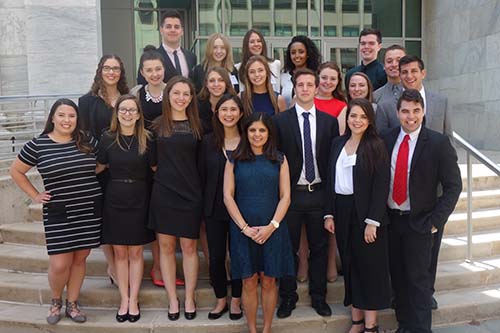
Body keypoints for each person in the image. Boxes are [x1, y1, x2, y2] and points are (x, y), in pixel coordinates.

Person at [10, 99, 102, 324]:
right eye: (62, 115)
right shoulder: (38, 145)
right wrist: (35, 195)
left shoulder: (87, 140)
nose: (67, 120)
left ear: (77, 119)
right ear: (53, 117)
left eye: (71, 116)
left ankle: (73, 304)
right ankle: (55, 301)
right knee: (60, 263)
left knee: (80, 259)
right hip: (58, 211)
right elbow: (16, 171)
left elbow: (101, 165)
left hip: (88, 208)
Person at [381, 89, 461, 333]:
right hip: (392, 221)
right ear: (398, 113)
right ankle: (404, 326)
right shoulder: (386, 138)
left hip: (422, 223)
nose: (410, 116)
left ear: (423, 112)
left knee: (419, 282)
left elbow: (453, 186)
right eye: (405, 111)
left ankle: (421, 330)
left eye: (416, 111)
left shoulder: (438, 142)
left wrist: (436, 221)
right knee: (399, 279)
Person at [274, 68, 339, 318]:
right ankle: (288, 297)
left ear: (316, 88)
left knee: (319, 248)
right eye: (300, 85)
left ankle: (319, 297)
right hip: (291, 195)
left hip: (319, 194)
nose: (304, 89)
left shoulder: (329, 122)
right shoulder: (281, 121)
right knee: (287, 248)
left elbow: (332, 162)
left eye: (309, 84)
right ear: (294, 88)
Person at [324, 98, 391, 333]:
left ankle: (371, 325)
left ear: (370, 120)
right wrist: (329, 214)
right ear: (347, 117)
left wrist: (373, 221)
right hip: (341, 211)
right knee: (351, 265)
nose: (357, 120)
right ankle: (357, 321)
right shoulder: (337, 144)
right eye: (353, 115)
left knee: (368, 268)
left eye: (363, 116)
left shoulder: (376, 145)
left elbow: (381, 186)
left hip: (366, 214)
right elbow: (330, 181)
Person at [223, 112, 294, 333]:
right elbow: (227, 195)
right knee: (249, 281)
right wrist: (244, 228)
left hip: (272, 229)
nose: (257, 134)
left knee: (270, 280)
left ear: (269, 133)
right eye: (252, 130)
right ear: (246, 132)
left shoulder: (280, 159)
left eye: (262, 130)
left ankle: (267, 329)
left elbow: (286, 196)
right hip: (243, 230)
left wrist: (272, 226)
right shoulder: (233, 159)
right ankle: (252, 329)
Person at [96, 95, 156, 323]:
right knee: (120, 253)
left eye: (132, 110)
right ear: (117, 113)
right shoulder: (108, 138)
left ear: (139, 114)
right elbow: (99, 167)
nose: (127, 114)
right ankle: (124, 299)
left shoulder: (148, 138)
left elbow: (155, 168)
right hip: (115, 198)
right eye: (123, 109)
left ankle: (134, 300)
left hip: (140, 198)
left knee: (137, 252)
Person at [148, 76, 203, 321]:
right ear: (168, 96)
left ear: (191, 98)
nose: (181, 98)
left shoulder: (199, 127)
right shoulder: (157, 126)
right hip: (164, 194)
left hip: (191, 194)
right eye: (176, 93)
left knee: (189, 247)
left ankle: (189, 297)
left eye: (186, 94)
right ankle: (172, 299)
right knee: (166, 248)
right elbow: (151, 163)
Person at [79, 54, 129, 286]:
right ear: (100, 71)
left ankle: (123, 260)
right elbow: (84, 135)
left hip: (125, 168)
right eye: (107, 68)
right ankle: (113, 265)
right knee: (104, 217)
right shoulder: (87, 101)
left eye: (116, 69)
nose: (111, 72)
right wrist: (101, 160)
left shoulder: (127, 99)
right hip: (100, 167)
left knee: (120, 218)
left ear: (121, 72)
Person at [199, 94, 249, 320]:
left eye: (233, 110)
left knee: (239, 256)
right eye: (224, 110)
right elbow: (200, 175)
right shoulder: (207, 141)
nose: (228, 114)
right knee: (217, 257)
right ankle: (221, 299)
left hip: (243, 209)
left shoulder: (249, 140)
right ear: (217, 114)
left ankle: (237, 300)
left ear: (240, 113)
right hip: (214, 208)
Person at [376, 55, 453, 139]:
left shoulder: (441, 102)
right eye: (404, 72)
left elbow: (448, 137)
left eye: (414, 71)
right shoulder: (385, 107)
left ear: (423, 74)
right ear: (400, 76)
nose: (409, 76)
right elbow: (380, 141)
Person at [137, 9, 196, 85]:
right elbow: (142, 86)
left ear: (182, 31)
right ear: (161, 30)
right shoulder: (150, 57)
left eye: (177, 27)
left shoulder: (191, 57)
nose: (173, 30)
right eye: (168, 27)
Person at [281, 35, 321, 108]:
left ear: (308, 54)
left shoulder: (317, 76)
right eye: (293, 52)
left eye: (301, 52)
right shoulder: (283, 77)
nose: (297, 56)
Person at [198, 67, 237, 134]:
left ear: (226, 83)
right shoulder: (197, 105)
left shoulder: (235, 104)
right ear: (206, 84)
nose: (216, 84)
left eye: (221, 80)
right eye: (212, 80)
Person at [315, 61, 348, 133]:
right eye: (324, 78)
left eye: (333, 79)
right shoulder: (304, 100)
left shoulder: (342, 106)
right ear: (317, 78)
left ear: (338, 82)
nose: (328, 82)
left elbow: (339, 135)